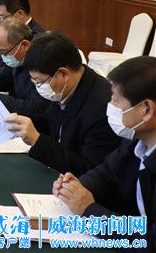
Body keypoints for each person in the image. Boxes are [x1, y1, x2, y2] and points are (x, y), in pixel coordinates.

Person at [52, 57, 155, 249]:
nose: (111, 107)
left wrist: (89, 211)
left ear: (146, 109)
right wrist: (74, 188)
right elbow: (106, 174)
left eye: (115, 101)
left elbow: (151, 242)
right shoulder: (135, 140)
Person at [5, 32, 120, 176]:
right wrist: (20, 123)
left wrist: (37, 140)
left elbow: (89, 169)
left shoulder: (102, 107)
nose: (38, 87)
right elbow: (50, 123)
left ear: (63, 74)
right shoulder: (64, 87)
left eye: (39, 81)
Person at [0, 18, 51, 116]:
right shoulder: (15, 53)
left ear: (24, 45)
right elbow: (4, 74)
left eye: (4, 52)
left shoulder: (42, 61)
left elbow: (35, 109)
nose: (3, 57)